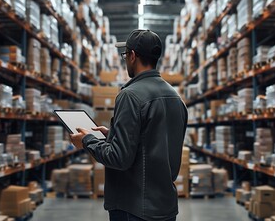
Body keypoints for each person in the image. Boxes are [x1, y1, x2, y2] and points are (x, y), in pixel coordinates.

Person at [70, 29, 188, 221]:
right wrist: (113, 135)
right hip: (165, 207)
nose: (125, 59)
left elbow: (119, 158)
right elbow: (152, 142)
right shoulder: (176, 98)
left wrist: (87, 141)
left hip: (133, 208)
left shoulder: (130, 95)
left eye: (125, 55)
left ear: (132, 56)